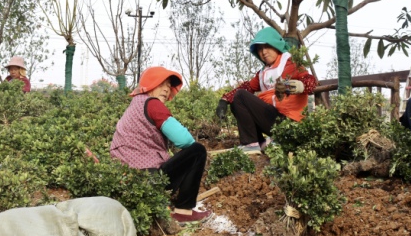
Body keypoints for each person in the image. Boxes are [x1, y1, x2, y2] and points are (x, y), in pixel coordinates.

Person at [110, 66, 210, 224]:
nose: (166, 89)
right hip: (148, 180)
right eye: (161, 84)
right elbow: (184, 140)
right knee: (197, 151)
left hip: (127, 181)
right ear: (150, 84)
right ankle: (184, 211)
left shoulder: (135, 105)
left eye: (169, 86)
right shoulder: (152, 104)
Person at [215, 27, 317, 153]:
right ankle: (255, 143)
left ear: (276, 45)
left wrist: (301, 85)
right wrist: (224, 100)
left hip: (289, 122)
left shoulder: (290, 63)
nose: (263, 52)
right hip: (272, 118)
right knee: (238, 99)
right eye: (259, 49)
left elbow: (311, 81)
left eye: (267, 46)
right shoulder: (263, 73)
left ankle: (255, 144)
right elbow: (247, 87)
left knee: (240, 96)